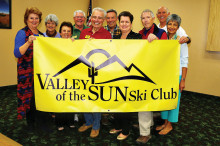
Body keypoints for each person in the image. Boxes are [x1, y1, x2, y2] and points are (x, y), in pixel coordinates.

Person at [78, 7, 112, 138]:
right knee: (84, 98)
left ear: (103, 20)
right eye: (94, 17)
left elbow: (108, 54)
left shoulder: (107, 35)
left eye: (99, 18)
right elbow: (78, 50)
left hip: (98, 72)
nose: (96, 20)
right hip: (83, 71)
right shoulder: (84, 32)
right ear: (90, 18)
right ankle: (88, 122)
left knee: (95, 99)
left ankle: (96, 125)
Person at [109, 11, 142, 141]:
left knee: (126, 104)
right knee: (116, 102)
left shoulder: (137, 37)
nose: (124, 24)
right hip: (116, 75)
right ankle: (118, 126)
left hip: (130, 76)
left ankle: (126, 130)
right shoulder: (116, 38)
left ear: (131, 23)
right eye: (121, 21)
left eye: (126, 22)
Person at [137, 9, 167, 144]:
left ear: (153, 18)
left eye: (148, 17)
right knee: (143, 101)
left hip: (155, 73)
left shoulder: (161, 33)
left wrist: (158, 42)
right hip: (141, 73)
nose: (145, 20)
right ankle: (146, 126)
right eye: (143, 18)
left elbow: (166, 53)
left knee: (146, 102)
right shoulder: (139, 34)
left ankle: (145, 133)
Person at [156, 14, 188, 135]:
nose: (172, 26)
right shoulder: (165, 38)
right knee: (165, 98)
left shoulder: (181, 40)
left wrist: (183, 80)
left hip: (176, 75)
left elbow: (185, 60)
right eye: (170, 24)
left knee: (174, 100)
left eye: (175, 24)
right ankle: (165, 122)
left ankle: (169, 125)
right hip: (165, 75)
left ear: (178, 26)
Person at [14, 7, 44, 128]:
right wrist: (28, 42)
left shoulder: (42, 35)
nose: (34, 20)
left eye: (37, 18)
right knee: (28, 96)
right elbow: (17, 53)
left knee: (38, 96)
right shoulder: (22, 33)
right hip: (26, 71)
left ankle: (38, 119)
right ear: (26, 19)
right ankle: (30, 122)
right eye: (31, 18)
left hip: (40, 70)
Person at [54, 21, 75, 131]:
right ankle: (59, 122)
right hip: (59, 75)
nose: (66, 33)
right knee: (60, 99)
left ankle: (70, 121)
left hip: (71, 76)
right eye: (64, 31)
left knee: (70, 98)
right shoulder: (54, 43)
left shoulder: (74, 43)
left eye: (68, 31)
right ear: (60, 32)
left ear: (71, 33)